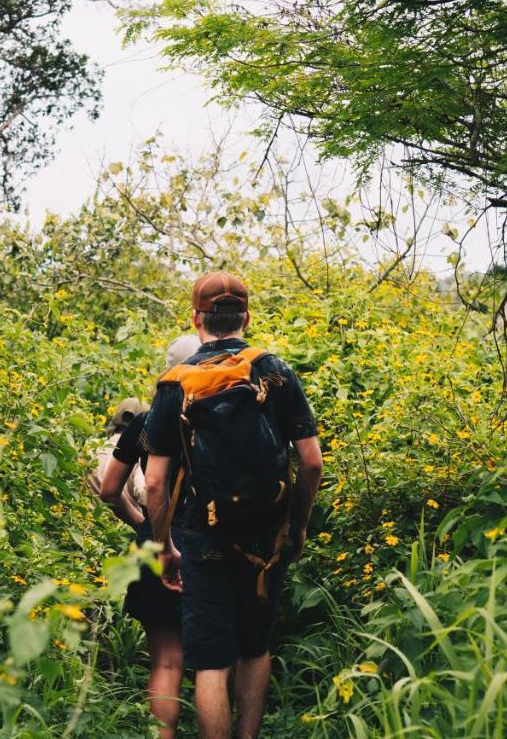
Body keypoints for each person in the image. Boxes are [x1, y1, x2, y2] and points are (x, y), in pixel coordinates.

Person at [142, 272, 324, 739]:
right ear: (245, 316)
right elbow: (311, 463)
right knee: (255, 646)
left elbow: (156, 484)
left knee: (209, 660)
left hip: (203, 535)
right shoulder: (274, 369)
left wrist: (164, 548)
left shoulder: (175, 382)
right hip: (268, 532)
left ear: (195, 318)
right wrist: (298, 526)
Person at [92, 334, 201, 739]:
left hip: (158, 543)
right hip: (216, 542)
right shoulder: (229, 417)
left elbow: (108, 490)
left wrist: (145, 524)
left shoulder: (147, 419)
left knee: (166, 662)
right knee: (218, 659)